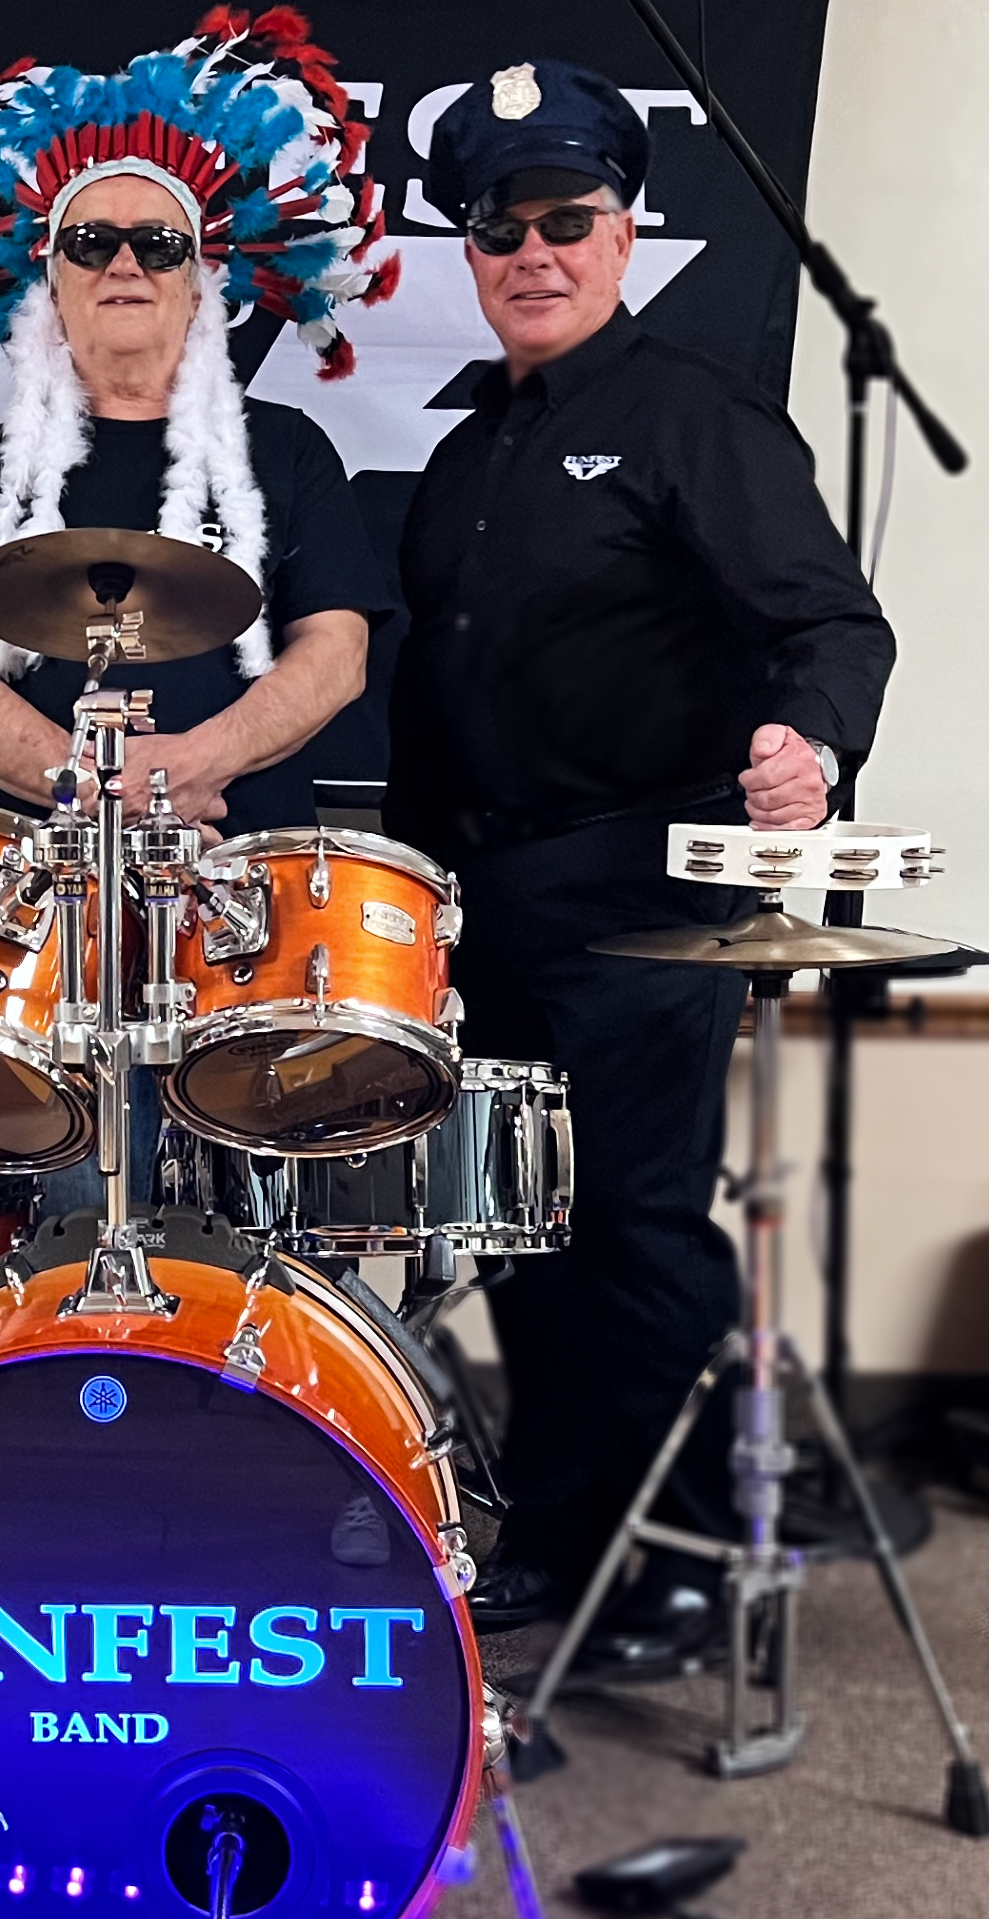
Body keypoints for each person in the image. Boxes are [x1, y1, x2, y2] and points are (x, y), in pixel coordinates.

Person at [384, 60, 893, 1639]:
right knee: (524, 1218)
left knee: (635, 1219)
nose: (530, 254)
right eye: (495, 229)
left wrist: (806, 743)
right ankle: (559, 1524)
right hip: (485, 895)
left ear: (621, 232)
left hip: (641, 884)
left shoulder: (691, 413)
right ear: (466, 251)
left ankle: (667, 1551)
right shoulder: (470, 449)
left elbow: (826, 618)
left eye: (564, 221)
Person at [0, 17, 396, 843]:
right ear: (50, 281)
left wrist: (186, 769)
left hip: (248, 882)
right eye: (90, 244)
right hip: (38, 895)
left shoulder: (290, 450)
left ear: (202, 283)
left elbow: (336, 655)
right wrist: (86, 788)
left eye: (159, 246)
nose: (123, 266)